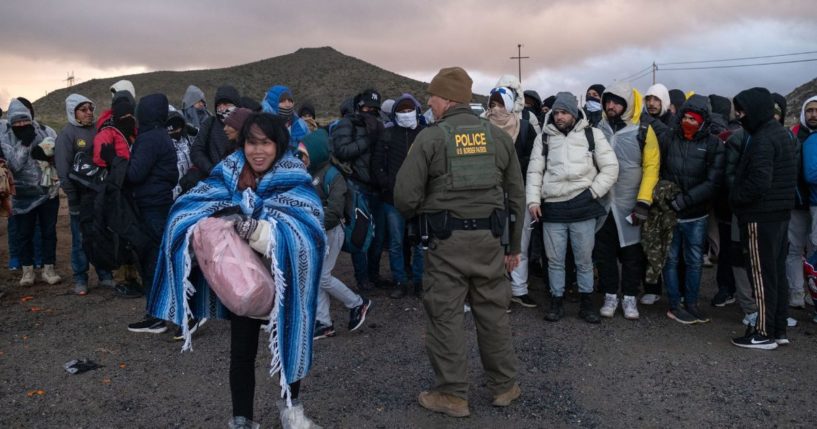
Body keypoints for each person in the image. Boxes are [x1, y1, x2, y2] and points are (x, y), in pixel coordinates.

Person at [147, 113, 324, 428]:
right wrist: (211, 219)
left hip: (286, 284)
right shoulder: (228, 172)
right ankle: (242, 419)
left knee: (291, 340)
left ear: (278, 144)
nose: (258, 151)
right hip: (243, 282)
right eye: (251, 143)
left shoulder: (294, 176)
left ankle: (292, 411)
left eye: (265, 143)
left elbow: (308, 233)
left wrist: (255, 228)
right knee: (241, 353)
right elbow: (189, 207)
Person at [394, 67, 524, 417]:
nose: (429, 104)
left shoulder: (431, 138)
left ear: (447, 99)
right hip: (490, 242)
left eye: (432, 97)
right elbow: (516, 196)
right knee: (494, 314)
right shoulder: (498, 138)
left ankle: (452, 395)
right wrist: (513, 247)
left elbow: (404, 197)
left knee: (445, 316)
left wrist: (429, 207)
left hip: (445, 244)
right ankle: (505, 387)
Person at [527, 91, 618, 323]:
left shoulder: (592, 135)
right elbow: (535, 171)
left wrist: (593, 192)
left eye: (564, 112)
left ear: (574, 113)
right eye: (556, 112)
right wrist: (533, 201)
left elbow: (611, 168)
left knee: (584, 260)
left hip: (583, 206)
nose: (559, 117)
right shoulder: (544, 138)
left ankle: (587, 304)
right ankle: (556, 302)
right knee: (555, 260)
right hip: (553, 208)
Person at [731, 88, 796, 349]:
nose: (739, 116)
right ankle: (778, 328)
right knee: (775, 273)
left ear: (756, 109)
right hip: (779, 216)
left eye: (742, 110)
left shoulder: (762, 139)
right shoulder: (780, 134)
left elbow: (759, 181)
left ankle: (763, 332)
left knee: (760, 274)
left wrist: (736, 198)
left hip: (761, 217)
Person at [596, 82, 660, 320]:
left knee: (632, 254)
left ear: (627, 104)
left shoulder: (643, 129)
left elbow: (651, 166)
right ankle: (610, 295)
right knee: (605, 253)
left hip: (631, 202)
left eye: (616, 102)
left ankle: (630, 297)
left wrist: (643, 201)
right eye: (607, 101)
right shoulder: (598, 127)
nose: (610, 106)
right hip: (603, 204)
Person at [116, 94, 179, 334]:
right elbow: (171, 175)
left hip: (150, 206)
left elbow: (135, 174)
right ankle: (159, 313)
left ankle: (171, 314)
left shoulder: (149, 138)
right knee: (157, 258)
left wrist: (118, 162)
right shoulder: (162, 135)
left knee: (154, 259)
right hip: (160, 202)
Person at [659, 94, 725, 324]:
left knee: (694, 260)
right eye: (685, 117)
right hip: (670, 212)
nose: (689, 122)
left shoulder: (713, 144)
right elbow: (658, 170)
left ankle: (692, 303)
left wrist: (686, 200)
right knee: (670, 258)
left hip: (696, 214)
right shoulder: (669, 138)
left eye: (694, 119)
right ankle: (675, 304)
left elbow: (713, 182)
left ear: (703, 121)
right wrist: (666, 198)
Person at [302, 130, 372, 338]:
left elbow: (334, 211)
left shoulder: (333, 175)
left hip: (331, 231)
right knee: (318, 276)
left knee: (322, 276)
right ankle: (324, 322)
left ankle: (358, 303)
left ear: (315, 153)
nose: (302, 159)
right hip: (320, 231)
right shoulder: (313, 174)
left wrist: (312, 222)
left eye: (305, 154)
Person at [54, 94, 114, 295]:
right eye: (83, 109)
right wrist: (72, 197)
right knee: (80, 239)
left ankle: (105, 274)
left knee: (100, 234)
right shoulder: (67, 135)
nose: (89, 113)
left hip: (98, 196)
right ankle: (80, 278)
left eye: (90, 108)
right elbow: (63, 170)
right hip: (79, 199)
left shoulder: (98, 130)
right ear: (73, 112)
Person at [485, 85, 538, 308]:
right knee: (493, 244)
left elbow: (535, 159)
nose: (496, 109)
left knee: (519, 243)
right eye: (492, 104)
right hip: (491, 195)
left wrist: (513, 167)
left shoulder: (524, 128)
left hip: (519, 192)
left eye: (500, 104)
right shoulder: (482, 128)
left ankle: (519, 288)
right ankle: (497, 292)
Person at [1, 98, 62, 287]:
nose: (21, 125)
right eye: (17, 122)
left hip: (48, 192)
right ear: (11, 122)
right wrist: (25, 144)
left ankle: (48, 269)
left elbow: (59, 154)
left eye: (24, 120)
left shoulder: (45, 131)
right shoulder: (6, 137)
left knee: (48, 232)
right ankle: (27, 271)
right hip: (22, 195)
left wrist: (50, 156)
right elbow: (15, 165)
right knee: (23, 234)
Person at [330, 88, 387, 291]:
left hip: (377, 188)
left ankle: (374, 275)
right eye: (366, 107)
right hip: (357, 187)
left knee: (378, 237)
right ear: (358, 106)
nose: (370, 111)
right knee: (361, 235)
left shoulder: (380, 126)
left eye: (374, 108)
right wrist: (367, 140)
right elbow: (342, 151)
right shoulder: (347, 124)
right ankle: (363, 279)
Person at [372, 93, 427, 298]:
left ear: (416, 111)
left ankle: (419, 282)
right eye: (401, 111)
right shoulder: (387, 134)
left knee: (421, 243)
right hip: (392, 200)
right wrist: (387, 185)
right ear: (394, 114)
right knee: (395, 243)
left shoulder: (424, 134)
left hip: (420, 199)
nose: (406, 114)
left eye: (409, 110)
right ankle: (399, 281)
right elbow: (377, 165)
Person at [185, 85, 241, 189]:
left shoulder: (245, 124)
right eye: (219, 104)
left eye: (226, 103)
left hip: (238, 180)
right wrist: (212, 169)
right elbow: (196, 150)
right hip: (212, 180)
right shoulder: (210, 123)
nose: (222, 108)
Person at [260, 85, 310, 151]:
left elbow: (309, 148)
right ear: (273, 104)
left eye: (290, 100)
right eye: (282, 101)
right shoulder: (263, 125)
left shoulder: (301, 124)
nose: (287, 105)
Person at [167, 106, 195, 200]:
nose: (177, 131)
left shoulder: (187, 139)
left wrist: (194, 131)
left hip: (192, 190)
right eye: (173, 129)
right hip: (173, 195)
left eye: (179, 128)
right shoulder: (164, 144)